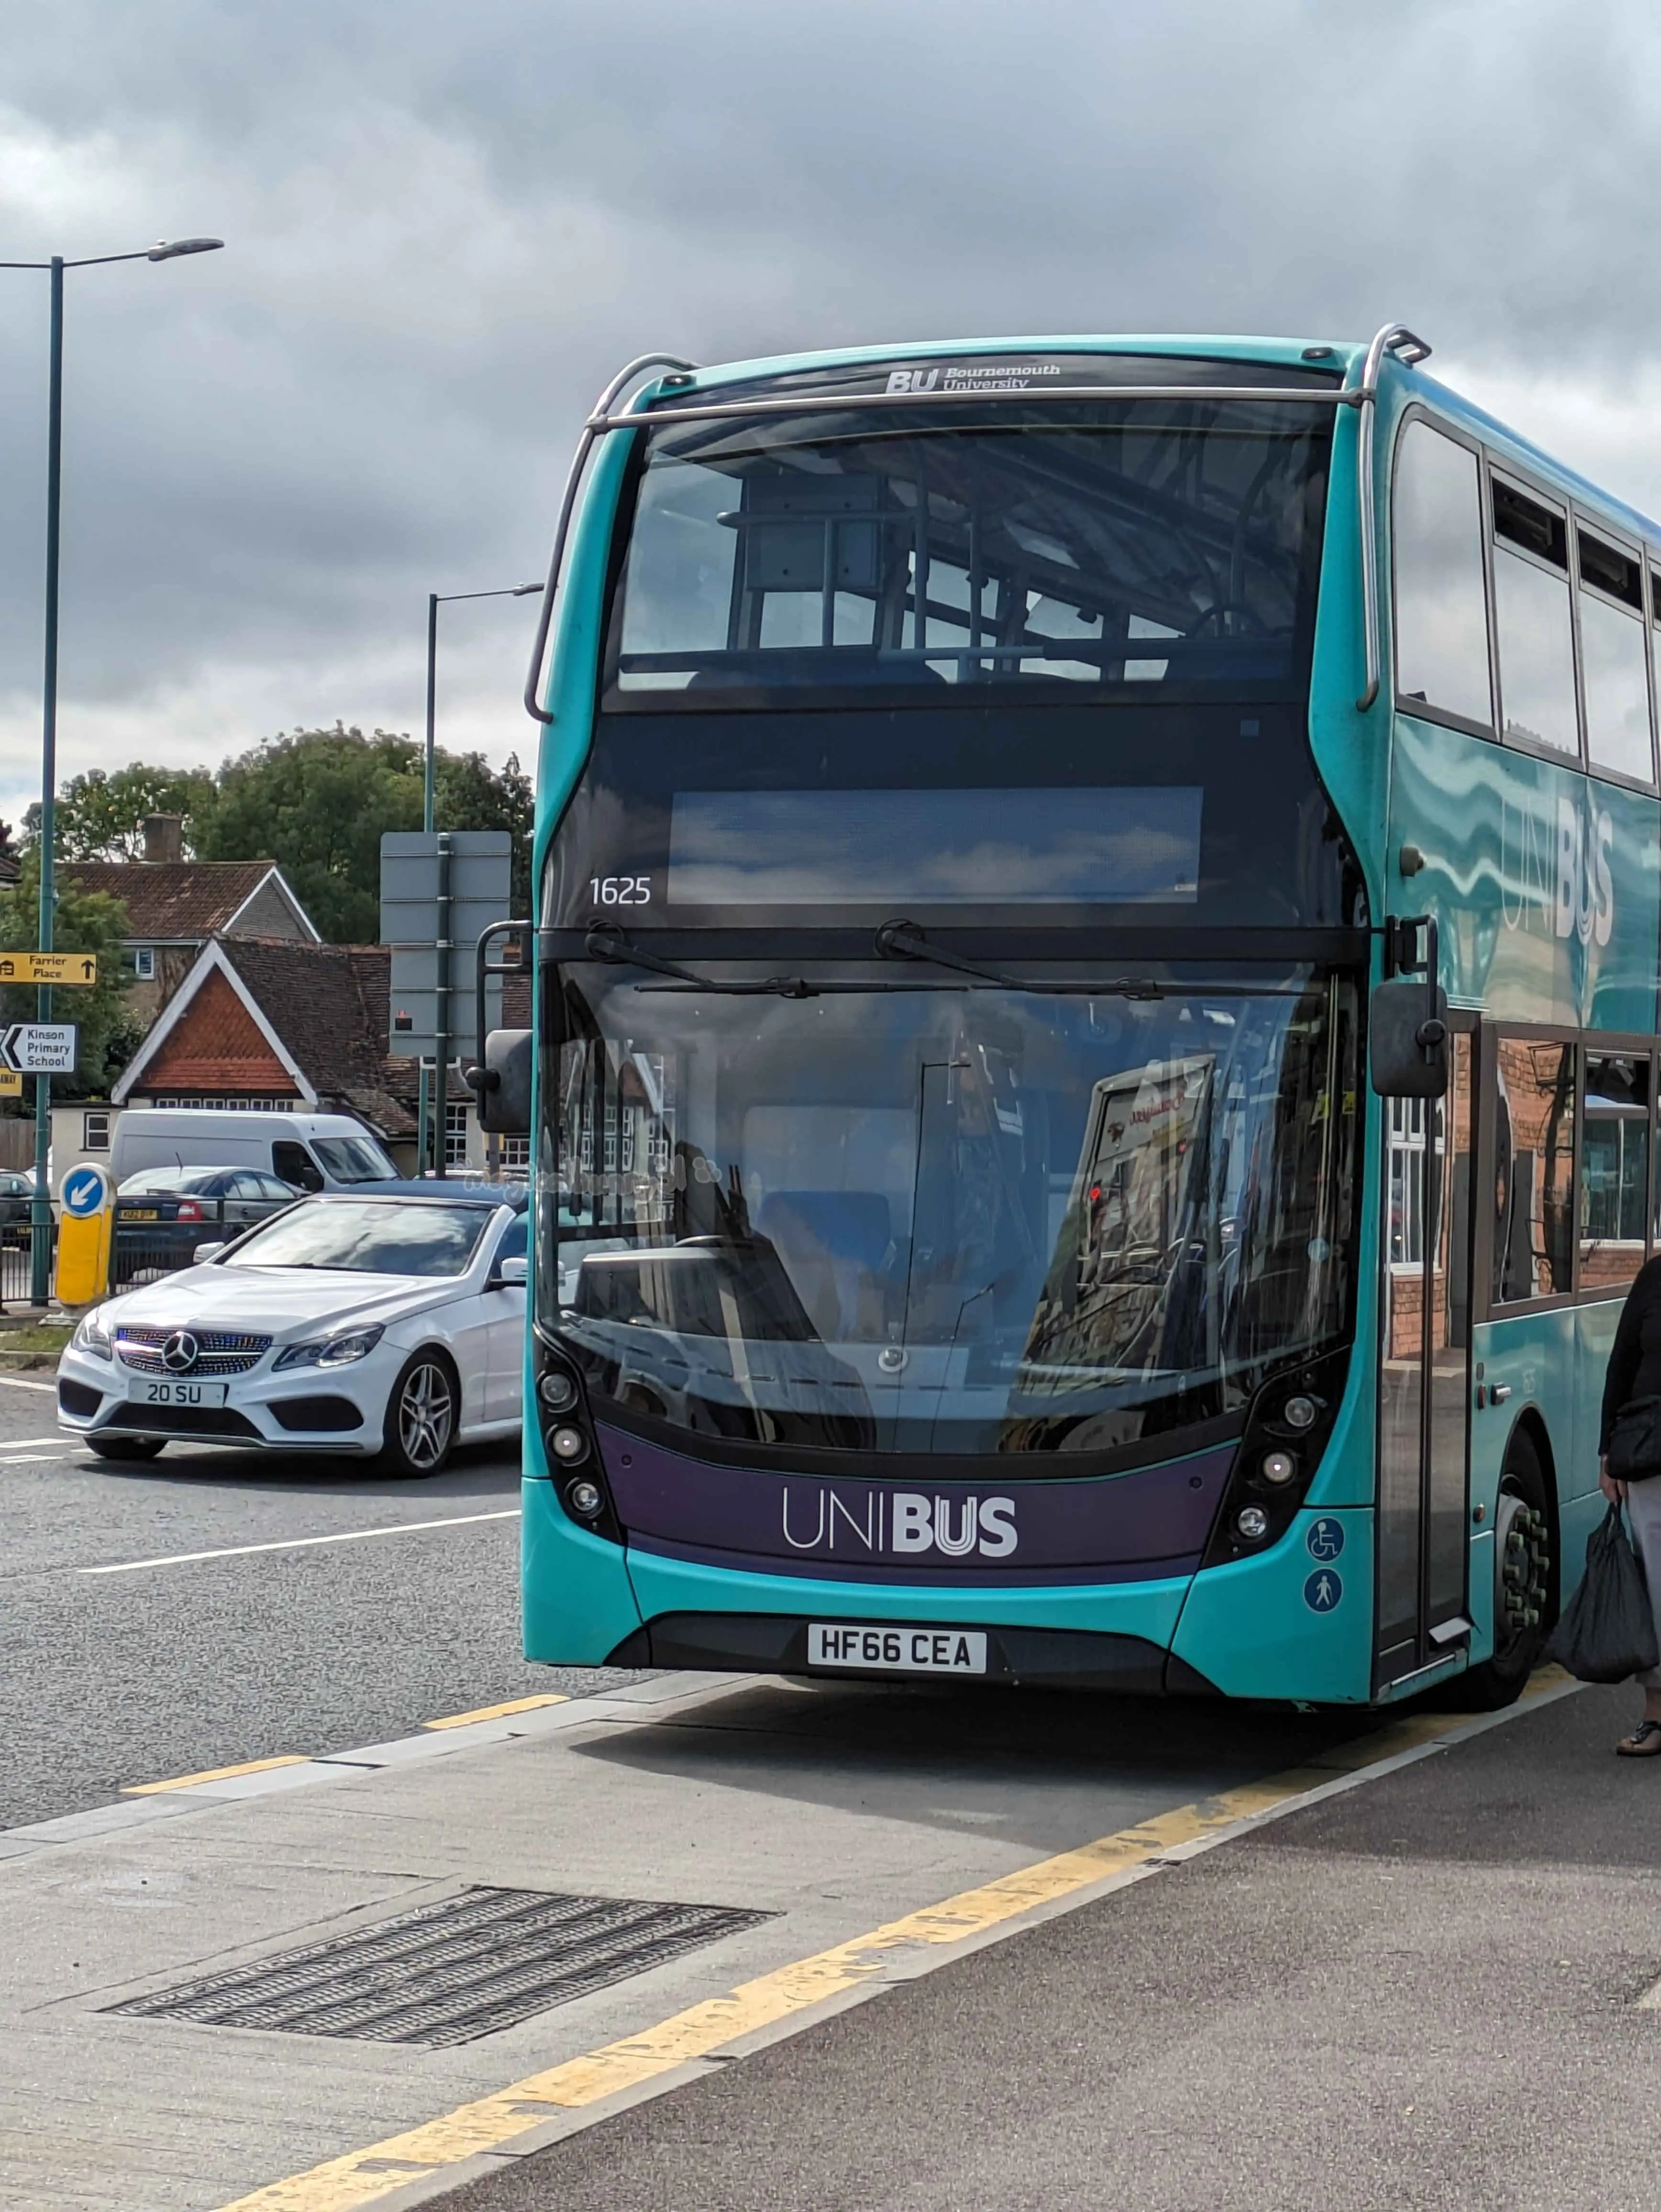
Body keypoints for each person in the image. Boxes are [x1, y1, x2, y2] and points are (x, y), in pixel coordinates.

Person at [1600, 1253, 1661, 1754]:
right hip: (1650, 1458)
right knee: (1655, 1591)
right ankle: (1656, 1717)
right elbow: (1621, 1363)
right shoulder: (1654, 1278)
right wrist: (1607, 1453)